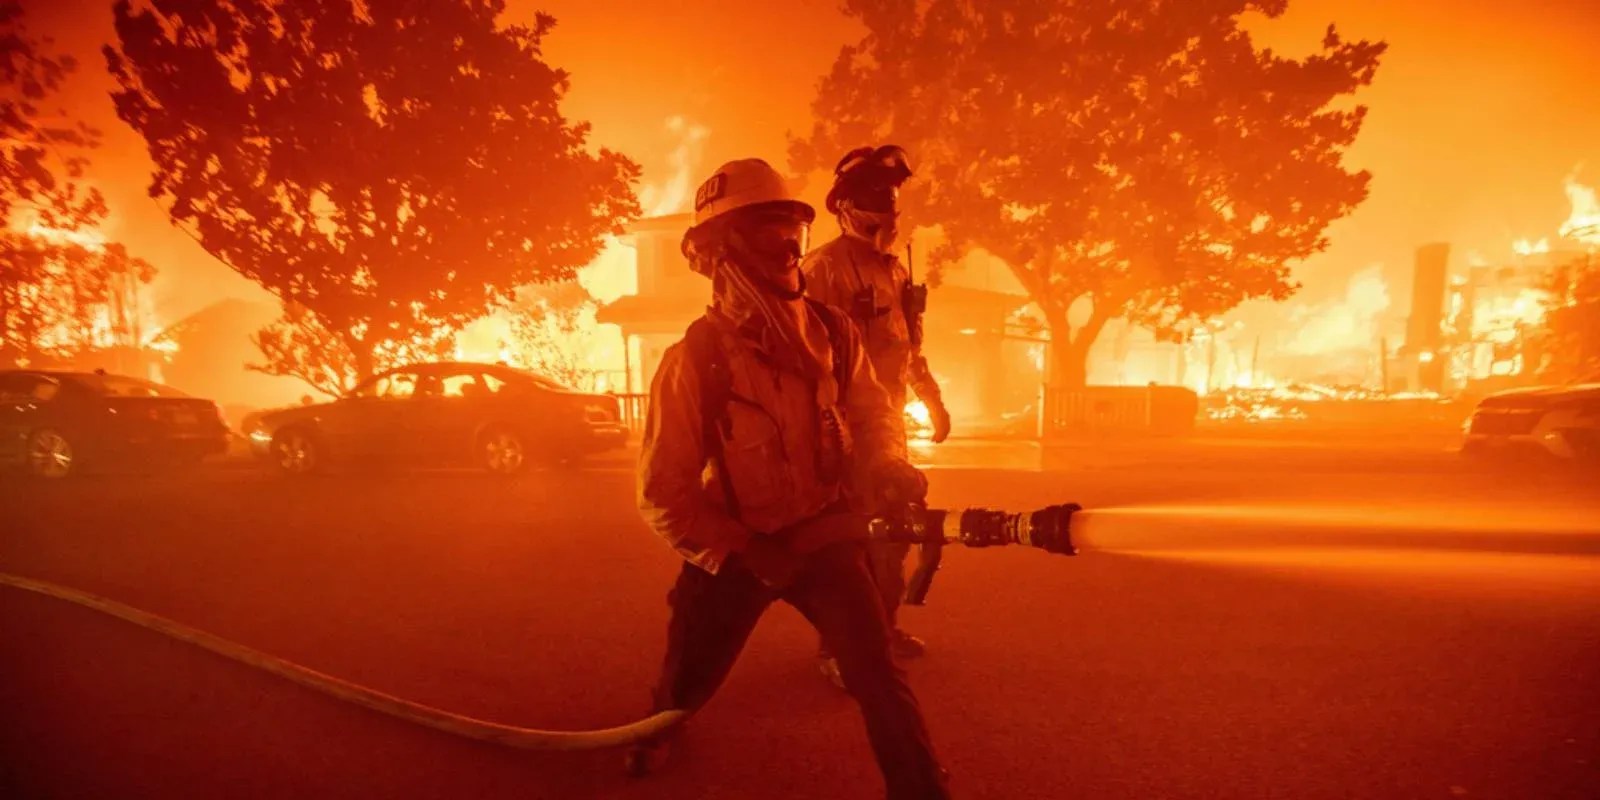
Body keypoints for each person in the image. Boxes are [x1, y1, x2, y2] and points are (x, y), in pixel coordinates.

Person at [627, 157, 951, 799]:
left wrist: (887, 464)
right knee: (687, 678)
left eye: (791, 231)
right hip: (739, 550)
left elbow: (872, 411)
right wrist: (747, 550)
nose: (785, 248)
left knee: (878, 675)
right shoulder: (695, 360)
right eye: (763, 232)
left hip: (825, 537)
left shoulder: (834, 334)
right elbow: (662, 495)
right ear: (719, 253)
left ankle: (920, 791)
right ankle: (658, 731)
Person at [802, 145, 950, 683]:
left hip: (888, 428)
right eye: (873, 197)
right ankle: (838, 649)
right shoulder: (821, 271)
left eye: (890, 197)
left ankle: (882, 630)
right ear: (843, 205)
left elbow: (905, 344)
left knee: (895, 533)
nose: (886, 208)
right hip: (843, 431)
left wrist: (929, 395)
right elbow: (805, 359)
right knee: (849, 543)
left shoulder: (892, 269)